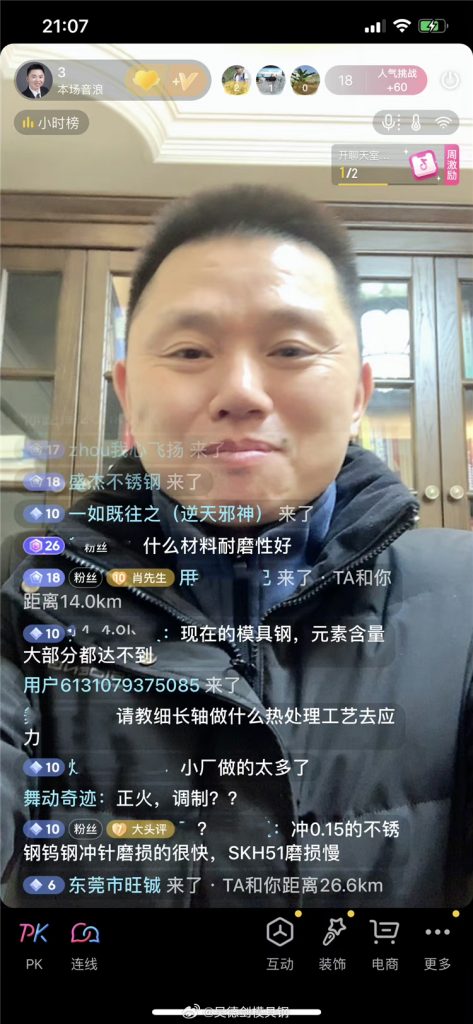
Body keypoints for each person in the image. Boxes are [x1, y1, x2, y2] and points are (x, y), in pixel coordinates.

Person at [1, 186, 472, 909]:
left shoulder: (462, 599)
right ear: (127, 395)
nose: (241, 392)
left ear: (357, 395)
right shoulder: (25, 591)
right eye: (190, 351)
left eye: (290, 349)